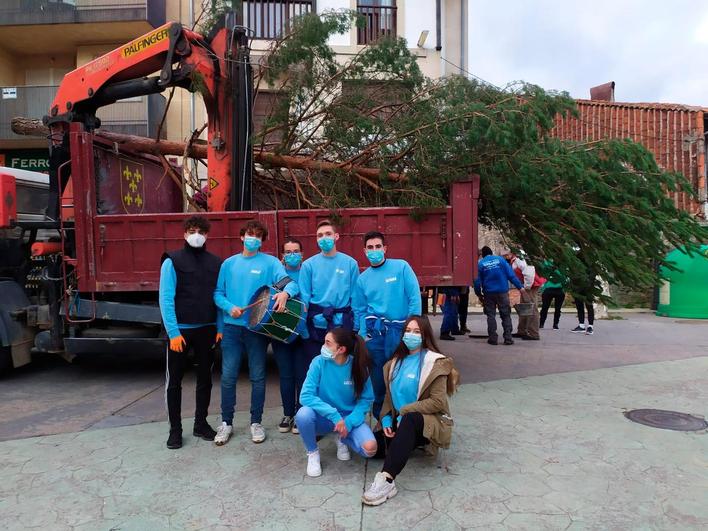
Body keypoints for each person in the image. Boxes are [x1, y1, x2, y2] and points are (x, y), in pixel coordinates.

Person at [213, 220, 299, 446]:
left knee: (258, 377)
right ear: (242, 237)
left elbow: (290, 284)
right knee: (229, 376)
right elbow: (217, 294)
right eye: (250, 234)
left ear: (262, 240)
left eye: (258, 236)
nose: (253, 239)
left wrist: (285, 294)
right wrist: (228, 306)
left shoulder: (270, 263)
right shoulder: (229, 264)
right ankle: (226, 423)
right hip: (232, 329)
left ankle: (255, 422)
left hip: (256, 329)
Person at [362, 315, 458, 506]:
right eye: (407, 331)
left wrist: (406, 410)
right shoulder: (393, 364)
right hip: (400, 424)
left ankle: (387, 480)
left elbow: (438, 402)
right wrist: (387, 420)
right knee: (371, 449)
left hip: (426, 423)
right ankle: (407, 444)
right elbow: (389, 400)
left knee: (411, 418)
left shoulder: (435, 362)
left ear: (425, 335)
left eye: (416, 332)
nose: (410, 335)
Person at [159, 216, 223, 449]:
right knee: (174, 382)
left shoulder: (215, 262)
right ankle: (175, 430)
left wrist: (220, 327)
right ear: (185, 233)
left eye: (201, 231)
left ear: (207, 235)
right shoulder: (172, 261)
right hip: (181, 333)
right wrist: (173, 332)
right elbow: (166, 298)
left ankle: (200, 423)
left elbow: (218, 295)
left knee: (205, 380)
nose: (196, 235)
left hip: (207, 330)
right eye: (192, 230)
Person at [353, 230, 421, 419]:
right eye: (370, 247)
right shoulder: (362, 279)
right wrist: (364, 336)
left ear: (385, 249)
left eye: (377, 246)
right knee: (378, 382)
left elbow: (414, 298)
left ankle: (406, 420)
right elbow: (360, 310)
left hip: (401, 332)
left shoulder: (401, 267)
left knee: (402, 380)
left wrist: (412, 330)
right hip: (376, 336)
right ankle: (382, 423)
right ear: (364, 251)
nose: (374, 250)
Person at [296, 328, 377, 477]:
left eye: (328, 343)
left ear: (341, 349)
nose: (323, 347)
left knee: (370, 449)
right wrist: (334, 416)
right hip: (324, 417)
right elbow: (305, 396)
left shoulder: (358, 366)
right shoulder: (318, 362)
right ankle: (313, 452)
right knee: (303, 415)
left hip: (347, 418)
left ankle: (342, 438)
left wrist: (349, 422)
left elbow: (366, 399)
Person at [299, 219, 360, 366]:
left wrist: (356, 327)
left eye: (328, 234)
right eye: (320, 235)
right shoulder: (308, 265)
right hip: (316, 327)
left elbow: (356, 299)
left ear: (336, 236)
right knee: (316, 371)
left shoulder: (350, 263)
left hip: (341, 327)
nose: (324, 238)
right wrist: (303, 330)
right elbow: (303, 300)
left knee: (342, 370)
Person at [271, 237, 307, 434]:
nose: (292, 255)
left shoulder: (308, 271)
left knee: (302, 374)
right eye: (288, 252)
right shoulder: (278, 273)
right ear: (282, 256)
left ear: (302, 254)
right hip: (280, 332)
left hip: (303, 332)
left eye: (296, 251)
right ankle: (288, 413)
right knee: (286, 375)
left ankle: (301, 413)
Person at [473, 246, 524, 345]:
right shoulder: (501, 260)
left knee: (491, 315)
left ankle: (493, 338)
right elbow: (511, 275)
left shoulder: (481, 264)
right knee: (505, 315)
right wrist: (520, 287)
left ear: (482, 255)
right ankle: (508, 338)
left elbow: (477, 281)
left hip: (488, 293)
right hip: (502, 292)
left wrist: (478, 294)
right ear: (491, 253)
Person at [503, 249, 544, 341]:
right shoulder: (514, 260)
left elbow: (529, 273)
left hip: (531, 285)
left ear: (511, 253)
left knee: (531, 308)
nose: (505, 257)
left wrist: (526, 287)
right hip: (527, 285)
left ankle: (534, 333)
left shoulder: (519, 259)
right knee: (524, 308)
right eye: (504, 255)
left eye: (506, 255)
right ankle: (522, 331)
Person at [539, 261, 567, 330]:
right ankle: (541, 323)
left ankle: (555, 324)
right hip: (549, 288)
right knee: (545, 307)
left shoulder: (563, 264)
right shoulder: (548, 262)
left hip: (559, 289)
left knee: (557, 309)